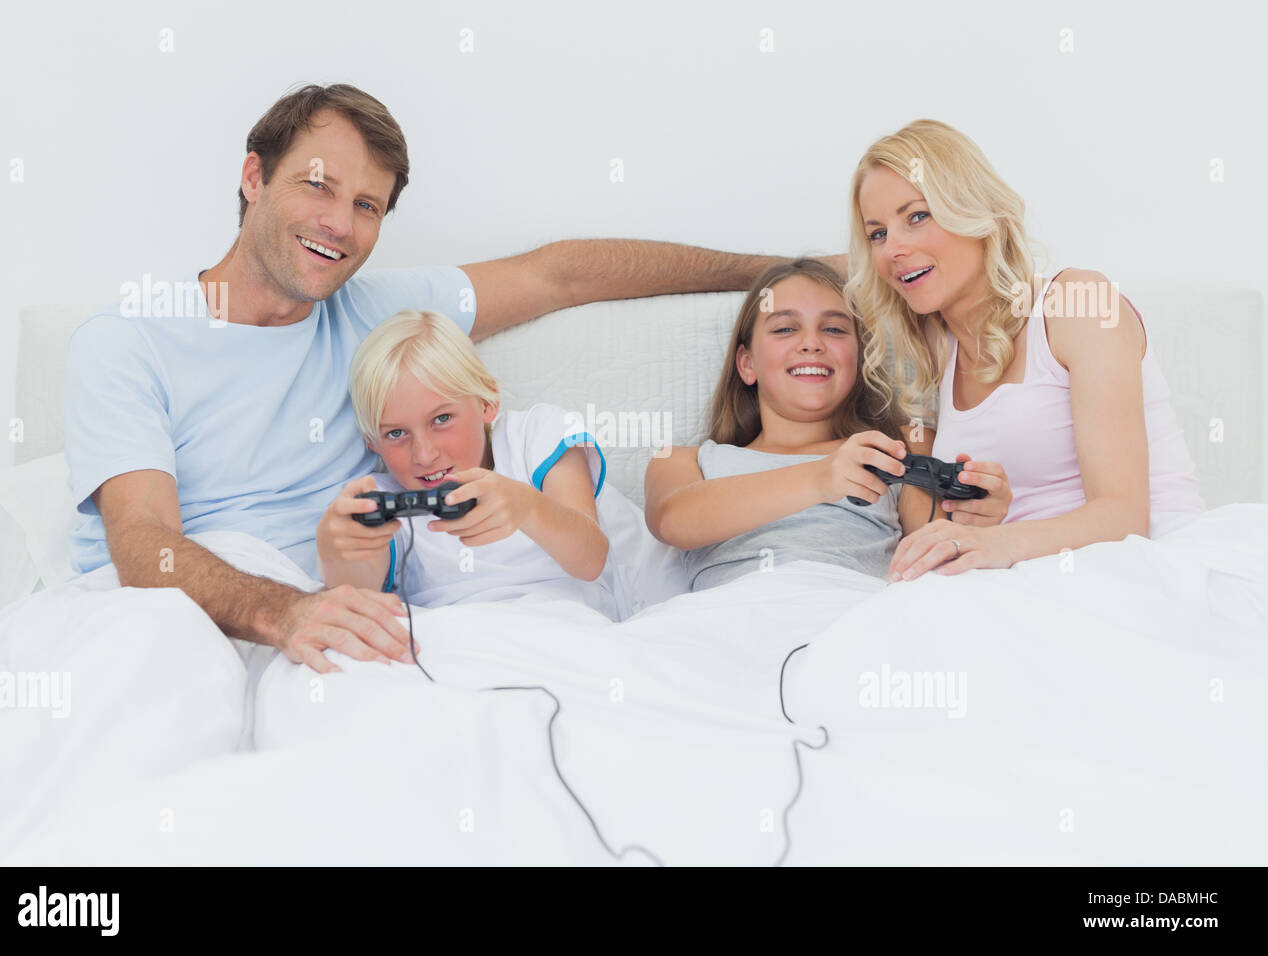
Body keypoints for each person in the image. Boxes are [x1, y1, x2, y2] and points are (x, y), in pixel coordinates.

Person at [62, 83, 846, 671]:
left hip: (343, 635)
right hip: (190, 621)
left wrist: (780, 274)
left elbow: (563, 275)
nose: (340, 223)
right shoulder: (126, 339)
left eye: (367, 206)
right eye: (317, 184)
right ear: (253, 177)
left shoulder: (378, 315)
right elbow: (145, 550)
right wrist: (288, 614)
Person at [846, 119, 1204, 583]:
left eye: (917, 216)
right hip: (1028, 579)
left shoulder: (1077, 303)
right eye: (877, 234)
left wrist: (996, 543)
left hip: (1148, 568)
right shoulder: (937, 345)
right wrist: (973, 524)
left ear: (970, 211)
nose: (893, 249)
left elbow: (1124, 518)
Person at [643, 258, 1011, 590]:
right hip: (730, 619)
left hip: (851, 618)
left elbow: (932, 549)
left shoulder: (898, 446)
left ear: (858, 357)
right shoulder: (684, 460)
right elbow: (673, 522)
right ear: (747, 363)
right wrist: (821, 479)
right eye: (785, 328)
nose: (811, 343)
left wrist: (977, 520)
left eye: (834, 330)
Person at [310, 311, 615, 672]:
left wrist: (527, 507)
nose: (424, 454)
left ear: (487, 402)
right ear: (371, 443)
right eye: (396, 434)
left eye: (442, 419)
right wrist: (338, 553)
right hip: (456, 650)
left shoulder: (535, 436)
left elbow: (591, 559)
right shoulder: (378, 499)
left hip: (566, 634)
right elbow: (359, 596)